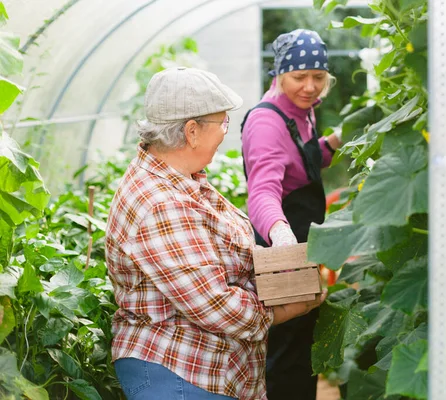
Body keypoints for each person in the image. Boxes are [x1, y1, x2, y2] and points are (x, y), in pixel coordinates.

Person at [105, 67, 325, 400]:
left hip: (207, 370)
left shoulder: (183, 178)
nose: (226, 132)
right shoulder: (161, 204)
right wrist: (288, 308)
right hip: (179, 373)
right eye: (222, 123)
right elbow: (215, 304)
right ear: (191, 131)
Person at [241, 29, 343, 400]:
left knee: (301, 344)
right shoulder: (266, 122)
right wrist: (281, 235)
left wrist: (330, 144)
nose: (310, 86)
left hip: (303, 243)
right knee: (285, 351)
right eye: (299, 77)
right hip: (283, 248)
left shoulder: (301, 112)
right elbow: (263, 191)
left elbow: (299, 165)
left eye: (319, 77)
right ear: (279, 74)